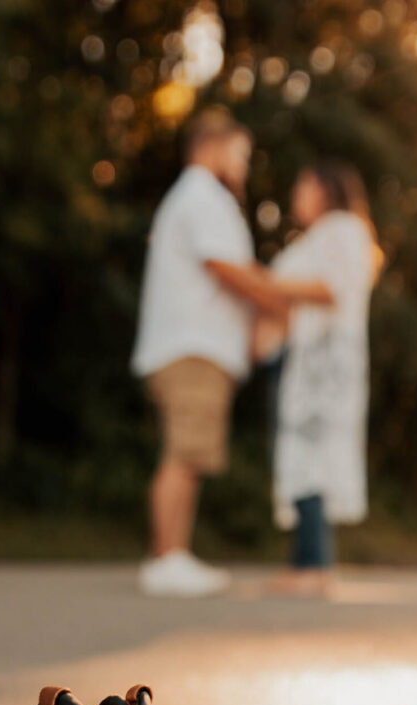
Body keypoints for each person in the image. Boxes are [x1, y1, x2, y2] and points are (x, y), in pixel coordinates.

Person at [131, 108, 330, 597]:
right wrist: (285, 301)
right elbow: (229, 270)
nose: (243, 164)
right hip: (192, 347)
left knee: (189, 453)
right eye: (240, 153)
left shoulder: (197, 199)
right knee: (183, 453)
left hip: (195, 347)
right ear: (213, 147)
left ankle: (172, 555)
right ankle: (166, 558)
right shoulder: (202, 196)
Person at [255, 161, 381, 596]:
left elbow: (330, 289)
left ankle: (315, 566)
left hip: (326, 366)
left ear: (325, 190)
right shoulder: (321, 238)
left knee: (311, 458)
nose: (296, 196)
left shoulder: (344, 230)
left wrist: (267, 287)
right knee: (301, 458)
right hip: (306, 361)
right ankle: (307, 563)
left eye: (303, 187)